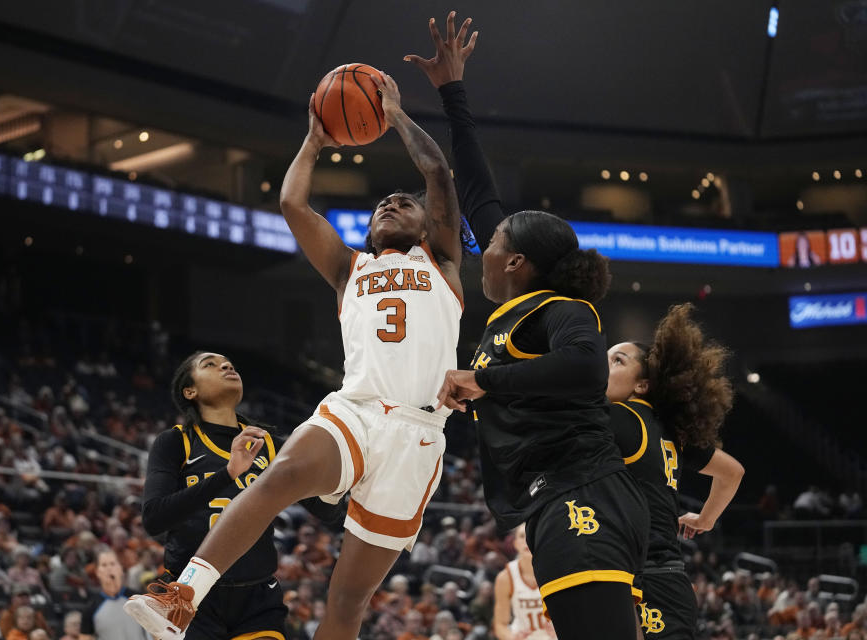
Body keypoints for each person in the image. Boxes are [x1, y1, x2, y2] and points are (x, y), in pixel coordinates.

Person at [125, 69, 466, 640]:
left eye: (402, 203)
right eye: (382, 203)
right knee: (280, 474)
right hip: (356, 411)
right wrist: (314, 140)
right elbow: (291, 201)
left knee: (347, 599)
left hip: (419, 434)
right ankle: (182, 596)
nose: (390, 203)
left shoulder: (444, 262)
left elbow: (436, 172)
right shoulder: (347, 268)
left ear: (427, 224)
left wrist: (395, 114)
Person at [414, 13, 648, 640]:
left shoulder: (562, 311)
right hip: (556, 497)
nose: (479, 241)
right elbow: (477, 185)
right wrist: (450, 93)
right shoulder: (516, 304)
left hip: (584, 491)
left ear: (515, 262)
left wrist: (489, 382)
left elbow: (583, 369)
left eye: (489, 239)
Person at [128, 351, 344, 640]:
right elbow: (154, 518)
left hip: (257, 598)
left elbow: (328, 512)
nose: (227, 366)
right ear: (190, 391)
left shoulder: (269, 445)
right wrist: (227, 474)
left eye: (228, 363)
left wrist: (338, 475)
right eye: (210, 364)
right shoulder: (176, 442)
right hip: (190, 599)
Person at [605, 303, 745, 639]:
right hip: (665, 577)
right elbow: (733, 472)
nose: (603, 365)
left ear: (641, 386)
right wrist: (705, 520)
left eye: (617, 360)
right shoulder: (669, 430)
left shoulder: (623, 417)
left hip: (648, 577)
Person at [493, 527, 556, 640]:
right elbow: (500, 625)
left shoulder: (557, 571)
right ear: (515, 543)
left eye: (531, 535)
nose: (527, 540)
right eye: (522, 536)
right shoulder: (506, 577)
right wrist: (512, 638)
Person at [82, 548, 148, 640]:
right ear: (97, 572)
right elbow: (85, 637)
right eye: (104, 565)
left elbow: (155, 631)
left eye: (113, 564)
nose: (109, 568)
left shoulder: (139, 599)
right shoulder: (91, 607)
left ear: (121, 568)